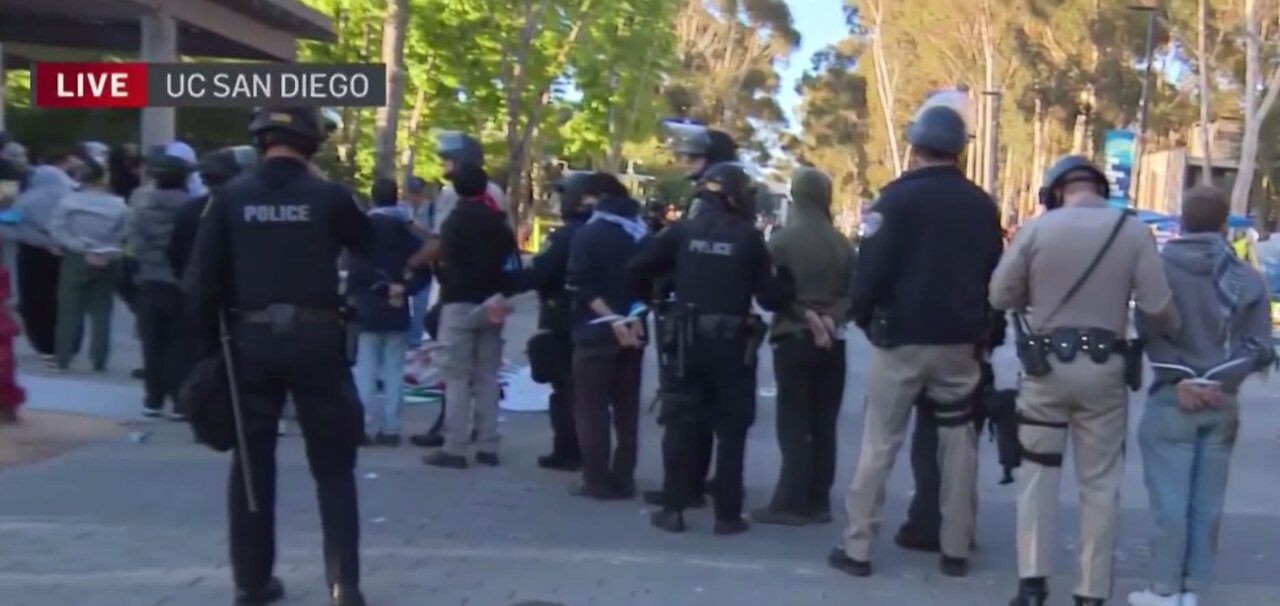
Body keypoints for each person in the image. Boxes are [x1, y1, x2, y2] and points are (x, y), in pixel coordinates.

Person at [183, 106, 373, 606]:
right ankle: (344, 584)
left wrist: (208, 356)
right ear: (311, 144)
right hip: (318, 341)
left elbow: (200, 284)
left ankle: (251, 582)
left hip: (248, 343)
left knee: (251, 465)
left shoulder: (228, 199)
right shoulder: (330, 196)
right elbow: (368, 244)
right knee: (333, 465)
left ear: (261, 142)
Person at [989, 155, 1180, 606]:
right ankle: (1090, 593)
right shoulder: (1132, 231)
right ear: (1100, 189)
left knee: (1037, 472)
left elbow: (1000, 294)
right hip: (1105, 371)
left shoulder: (1037, 230)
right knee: (1099, 483)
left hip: (1045, 369)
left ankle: (1032, 584)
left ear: (1056, 190)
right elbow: (1158, 307)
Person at [828, 103, 1002, 579]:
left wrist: (863, 317)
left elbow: (871, 270)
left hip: (901, 338)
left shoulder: (894, 201)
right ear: (959, 151)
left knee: (879, 442)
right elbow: (996, 276)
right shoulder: (981, 206)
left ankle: (858, 546)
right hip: (959, 342)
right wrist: (988, 335)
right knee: (959, 444)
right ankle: (955, 546)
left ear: (915, 145)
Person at [1127, 185, 1276, 606]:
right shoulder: (1246, 278)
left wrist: (1183, 379)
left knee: (1169, 505)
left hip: (1171, 399)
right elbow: (1258, 347)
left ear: (1181, 222)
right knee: (1207, 505)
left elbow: (1150, 333)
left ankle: (1162, 588)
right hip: (1221, 402)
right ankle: (1195, 588)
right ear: (1224, 224)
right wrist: (1217, 381)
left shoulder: (1157, 270)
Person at [629, 162, 793, 535]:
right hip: (733, 345)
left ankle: (673, 509)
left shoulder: (681, 232)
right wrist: (785, 282)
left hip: (685, 342)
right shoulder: (749, 238)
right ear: (735, 196)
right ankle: (728, 515)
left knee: (680, 424)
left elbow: (637, 265)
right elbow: (770, 297)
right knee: (732, 429)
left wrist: (657, 298)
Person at [639, 124, 738, 510]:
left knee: (683, 412)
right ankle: (695, 485)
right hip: (724, 327)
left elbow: (661, 255)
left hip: (688, 323)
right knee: (708, 413)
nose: (686, 166)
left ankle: (681, 490)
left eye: (693, 159)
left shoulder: (704, 205)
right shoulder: (736, 207)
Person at [752, 167, 853, 527]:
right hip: (833, 341)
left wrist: (804, 314)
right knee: (824, 422)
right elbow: (852, 294)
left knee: (793, 420)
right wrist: (830, 318)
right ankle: (818, 499)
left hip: (793, 337)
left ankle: (789, 500)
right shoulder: (842, 244)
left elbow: (771, 294)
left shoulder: (781, 241)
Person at [420, 162, 519, 470]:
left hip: (459, 301)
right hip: (492, 303)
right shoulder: (499, 223)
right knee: (488, 376)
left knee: (456, 377)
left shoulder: (454, 223)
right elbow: (512, 262)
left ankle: (456, 446)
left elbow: (443, 259)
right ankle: (489, 443)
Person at [566, 173, 649, 499]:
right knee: (627, 409)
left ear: (596, 198)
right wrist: (632, 317)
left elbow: (580, 285)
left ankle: (596, 478)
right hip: (635, 330)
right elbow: (652, 285)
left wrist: (612, 318)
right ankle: (624, 475)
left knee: (592, 408)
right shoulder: (643, 233)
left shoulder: (588, 234)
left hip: (595, 330)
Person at [511, 171, 594, 471]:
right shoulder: (610, 231)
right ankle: (587, 452)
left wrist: (508, 281)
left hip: (562, 318)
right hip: (596, 319)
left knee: (565, 390)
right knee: (589, 393)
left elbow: (539, 272)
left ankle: (568, 450)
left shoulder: (567, 235)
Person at [347, 177, 429, 447]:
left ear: (372, 198)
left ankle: (366, 426)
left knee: (365, 369)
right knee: (395, 369)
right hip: (397, 306)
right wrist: (404, 289)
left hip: (368, 307)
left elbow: (355, 272)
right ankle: (392, 427)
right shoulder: (406, 232)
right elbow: (423, 269)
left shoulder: (362, 231)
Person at [130, 142, 198, 419]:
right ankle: (180, 400)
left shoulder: (141, 209)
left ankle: (153, 399)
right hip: (185, 282)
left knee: (152, 342)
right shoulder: (194, 209)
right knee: (182, 343)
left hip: (151, 280)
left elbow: (135, 244)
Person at [48, 142, 129, 372]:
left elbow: (58, 230)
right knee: (102, 311)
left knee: (69, 310)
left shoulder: (69, 202)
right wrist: (107, 249)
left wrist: (81, 247)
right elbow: (125, 233)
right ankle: (99, 358)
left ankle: (62, 356)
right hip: (108, 257)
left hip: (76, 257)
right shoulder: (118, 204)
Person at [12, 151, 80, 366]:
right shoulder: (74, 196)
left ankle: (44, 344)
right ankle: (70, 343)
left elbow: (9, 224)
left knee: (36, 299)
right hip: (68, 252)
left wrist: (41, 240)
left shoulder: (25, 200)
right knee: (67, 299)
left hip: (33, 255)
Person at [169, 146, 259, 280]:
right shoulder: (247, 209)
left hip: (199, 284)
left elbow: (175, 255)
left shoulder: (189, 209)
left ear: (203, 179)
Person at [430, 132, 510, 232]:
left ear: (462, 160)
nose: (442, 163)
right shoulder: (495, 190)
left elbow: (439, 238)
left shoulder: (451, 193)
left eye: (447, 159)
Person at [402, 175, 435, 348]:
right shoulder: (400, 208)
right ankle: (404, 338)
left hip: (423, 261)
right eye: (411, 192)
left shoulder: (431, 209)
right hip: (403, 262)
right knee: (403, 303)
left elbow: (435, 236)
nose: (414, 196)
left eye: (417, 192)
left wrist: (415, 228)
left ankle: (415, 340)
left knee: (420, 305)